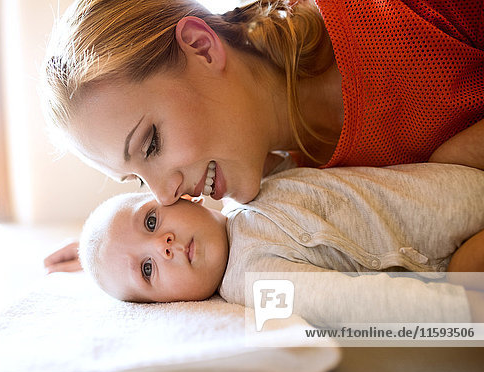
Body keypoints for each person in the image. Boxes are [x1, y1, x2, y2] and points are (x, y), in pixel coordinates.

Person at [41, 0, 484, 270]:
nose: (166, 194)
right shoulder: (292, 193)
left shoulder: (393, 17)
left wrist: (461, 156)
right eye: (137, 180)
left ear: (201, 45)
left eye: (151, 143)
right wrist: (123, 256)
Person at [76, 163, 484, 325]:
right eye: (147, 269)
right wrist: (461, 312)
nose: (162, 246)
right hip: (452, 248)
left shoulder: (245, 187)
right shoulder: (250, 280)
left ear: (182, 195)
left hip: (455, 181)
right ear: (168, 304)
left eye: (150, 221)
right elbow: (348, 301)